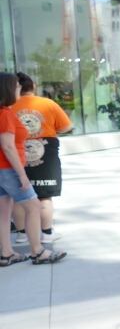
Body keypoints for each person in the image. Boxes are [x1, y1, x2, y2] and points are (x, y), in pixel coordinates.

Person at [0, 73, 66, 267]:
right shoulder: (5, 113)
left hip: (2, 170)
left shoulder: (4, 112)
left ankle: (6, 253)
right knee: (34, 206)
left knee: (4, 212)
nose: (19, 89)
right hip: (9, 169)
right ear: (8, 89)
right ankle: (38, 251)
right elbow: (8, 146)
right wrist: (22, 175)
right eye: (16, 87)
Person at [9, 72, 72, 245]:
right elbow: (67, 126)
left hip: (16, 156)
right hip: (46, 154)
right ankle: (47, 233)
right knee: (45, 196)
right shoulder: (48, 103)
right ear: (33, 86)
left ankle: (22, 235)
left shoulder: (8, 106)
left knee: (19, 197)